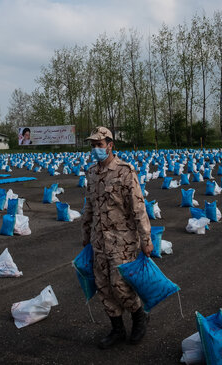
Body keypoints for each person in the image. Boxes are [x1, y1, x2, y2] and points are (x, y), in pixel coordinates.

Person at [81, 126, 153, 349]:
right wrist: (85, 235)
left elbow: (138, 207)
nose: (95, 149)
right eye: (92, 146)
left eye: (99, 145)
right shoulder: (91, 173)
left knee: (120, 285)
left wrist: (146, 239)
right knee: (103, 288)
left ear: (110, 145)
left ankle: (139, 316)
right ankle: (117, 329)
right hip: (99, 241)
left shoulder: (125, 171)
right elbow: (89, 208)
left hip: (123, 241)